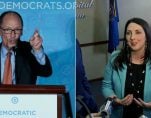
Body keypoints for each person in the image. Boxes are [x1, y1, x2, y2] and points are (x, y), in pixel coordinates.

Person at [101, 18, 151, 118]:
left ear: (147, 35)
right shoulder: (115, 57)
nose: (132, 37)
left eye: (138, 32)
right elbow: (106, 86)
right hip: (119, 114)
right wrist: (117, 100)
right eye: (128, 33)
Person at [0, 10, 52, 85]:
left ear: (22, 32)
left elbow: (46, 71)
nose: (13, 35)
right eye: (8, 30)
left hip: (24, 96)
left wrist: (37, 50)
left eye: (17, 29)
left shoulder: (29, 50)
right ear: (0, 31)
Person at [76, 39, 99, 118]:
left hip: (84, 97)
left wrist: (89, 95)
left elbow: (81, 71)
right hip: (66, 102)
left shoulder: (75, 41)